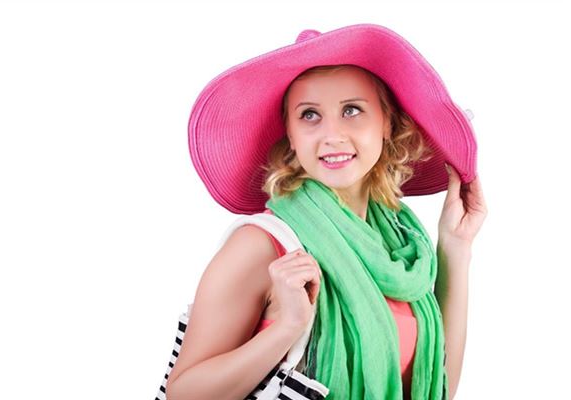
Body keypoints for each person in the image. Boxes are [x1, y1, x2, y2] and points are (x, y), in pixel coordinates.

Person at [165, 24, 487, 400]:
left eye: (352, 110)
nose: (332, 135)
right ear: (290, 133)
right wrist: (287, 327)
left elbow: (438, 387)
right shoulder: (262, 246)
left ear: (387, 122)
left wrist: (455, 248)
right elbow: (183, 394)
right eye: (309, 115)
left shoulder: (400, 245)